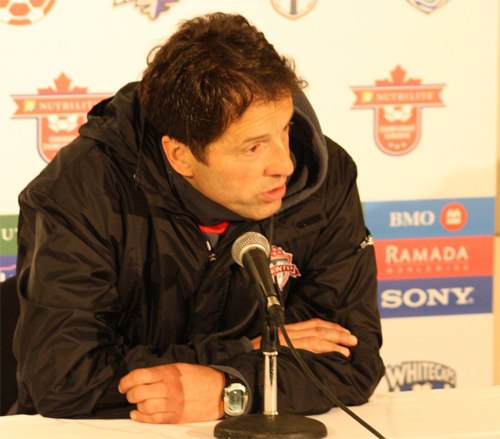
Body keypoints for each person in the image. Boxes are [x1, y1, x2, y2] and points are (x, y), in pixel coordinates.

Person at [13, 12, 384, 424]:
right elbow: (64, 379)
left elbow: (354, 357)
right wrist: (244, 353)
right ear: (181, 155)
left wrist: (229, 390)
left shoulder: (326, 177)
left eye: (283, 129)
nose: (285, 164)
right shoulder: (81, 190)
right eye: (253, 148)